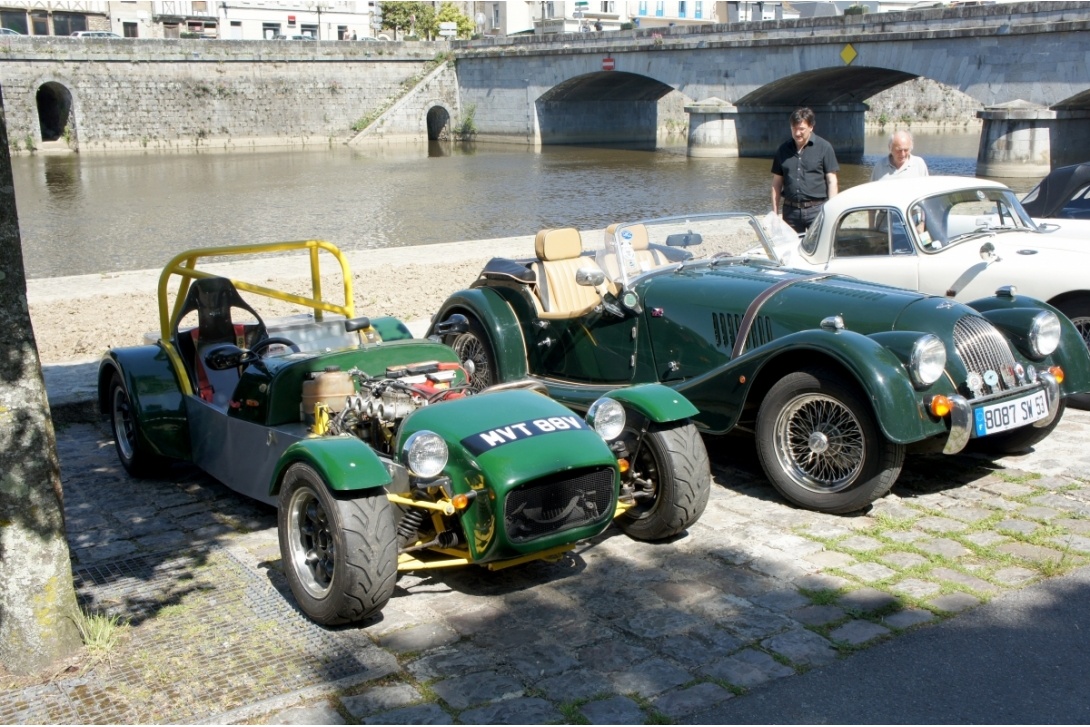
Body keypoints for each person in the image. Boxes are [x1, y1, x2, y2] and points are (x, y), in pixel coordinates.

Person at [771, 107, 839, 233]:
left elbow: (832, 181)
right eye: (793, 129)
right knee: (790, 249)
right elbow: (776, 183)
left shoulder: (824, 147)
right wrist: (774, 213)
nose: (797, 133)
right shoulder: (783, 150)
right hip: (790, 212)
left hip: (817, 210)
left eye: (801, 129)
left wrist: (832, 210)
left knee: (818, 249)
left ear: (811, 127)